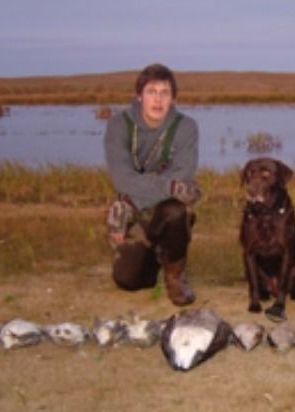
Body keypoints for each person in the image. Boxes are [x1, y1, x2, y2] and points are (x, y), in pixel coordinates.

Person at [103, 63, 202, 306]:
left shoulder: (186, 127)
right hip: (136, 210)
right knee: (129, 280)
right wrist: (167, 187)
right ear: (139, 96)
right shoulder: (118, 125)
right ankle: (157, 256)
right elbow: (121, 178)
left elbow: (184, 174)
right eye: (151, 92)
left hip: (154, 206)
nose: (158, 100)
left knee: (177, 210)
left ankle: (175, 276)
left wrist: (129, 200)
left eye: (164, 93)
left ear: (173, 98)